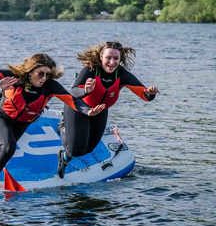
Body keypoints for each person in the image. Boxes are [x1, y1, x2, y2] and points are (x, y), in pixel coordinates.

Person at [0, 53, 103, 203]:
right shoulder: (16, 77)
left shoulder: (50, 86)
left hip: (22, 122)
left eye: (47, 74)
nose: (44, 78)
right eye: (40, 74)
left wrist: (87, 108)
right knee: (8, 147)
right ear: (31, 71)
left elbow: (71, 99)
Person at [57, 41, 158, 178]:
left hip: (100, 110)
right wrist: (86, 91)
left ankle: (68, 150)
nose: (112, 62)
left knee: (90, 148)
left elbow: (144, 94)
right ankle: (63, 131)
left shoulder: (122, 75)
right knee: (76, 150)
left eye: (116, 58)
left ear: (120, 59)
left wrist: (150, 94)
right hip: (78, 108)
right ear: (101, 57)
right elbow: (74, 92)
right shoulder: (90, 70)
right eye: (108, 58)